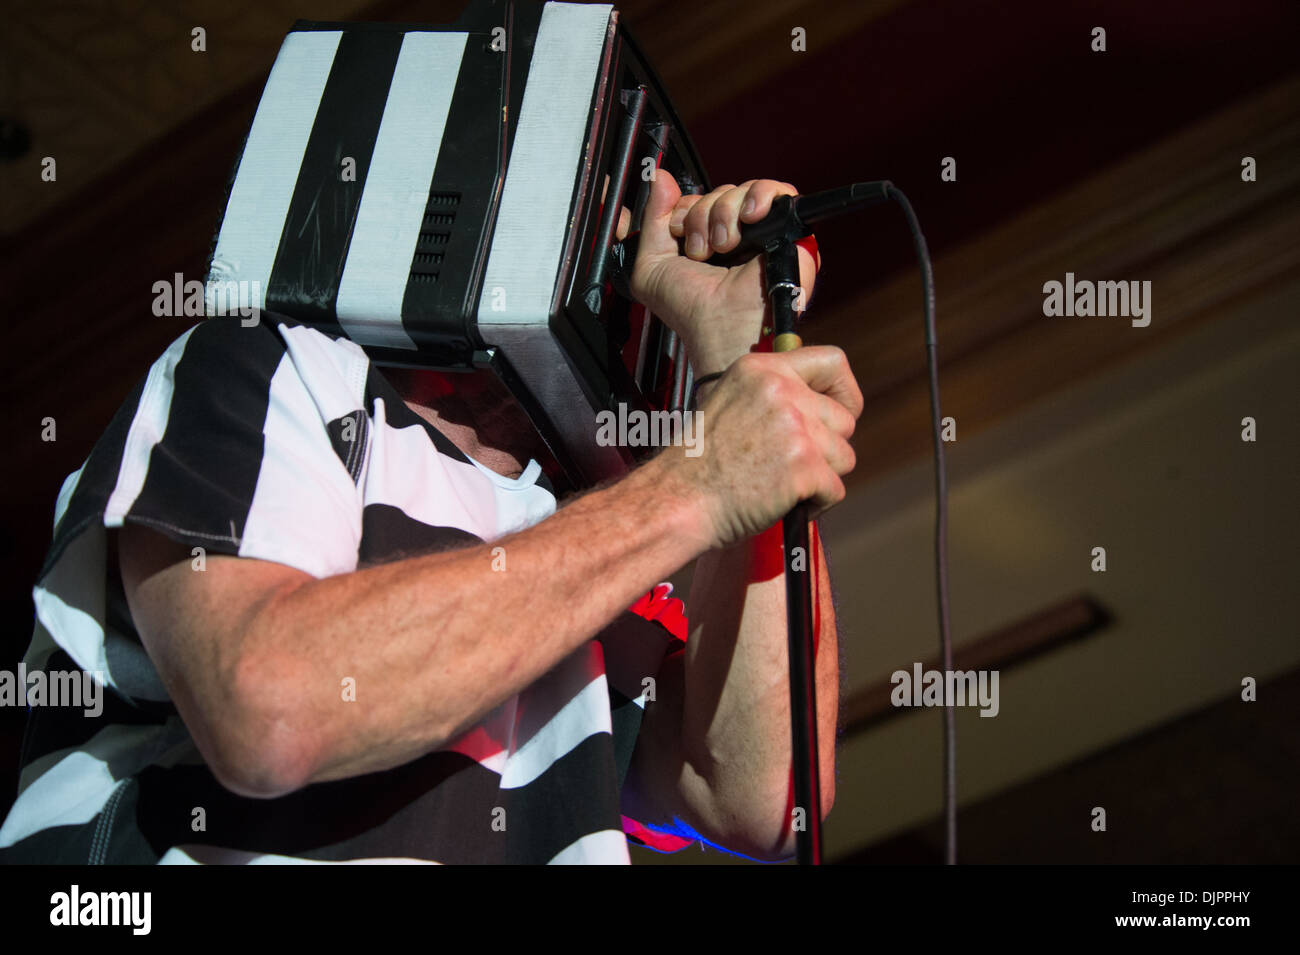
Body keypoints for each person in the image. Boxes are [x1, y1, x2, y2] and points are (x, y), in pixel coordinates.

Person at [0, 171, 861, 864]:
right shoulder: (275, 363)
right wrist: (695, 484)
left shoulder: (593, 537)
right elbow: (272, 709)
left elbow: (761, 798)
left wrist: (737, 362)